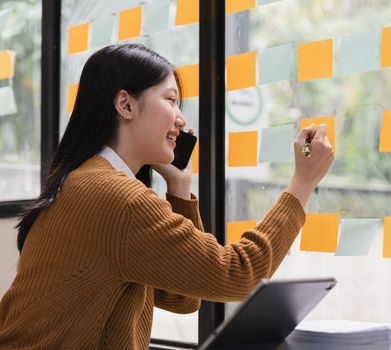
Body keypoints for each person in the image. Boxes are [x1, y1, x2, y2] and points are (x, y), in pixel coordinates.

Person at [0, 44, 334, 349]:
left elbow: (183, 298)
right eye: (171, 100)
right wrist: (302, 183)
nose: (180, 118)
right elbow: (239, 273)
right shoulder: (119, 199)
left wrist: (179, 186)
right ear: (125, 104)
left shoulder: (84, 181)